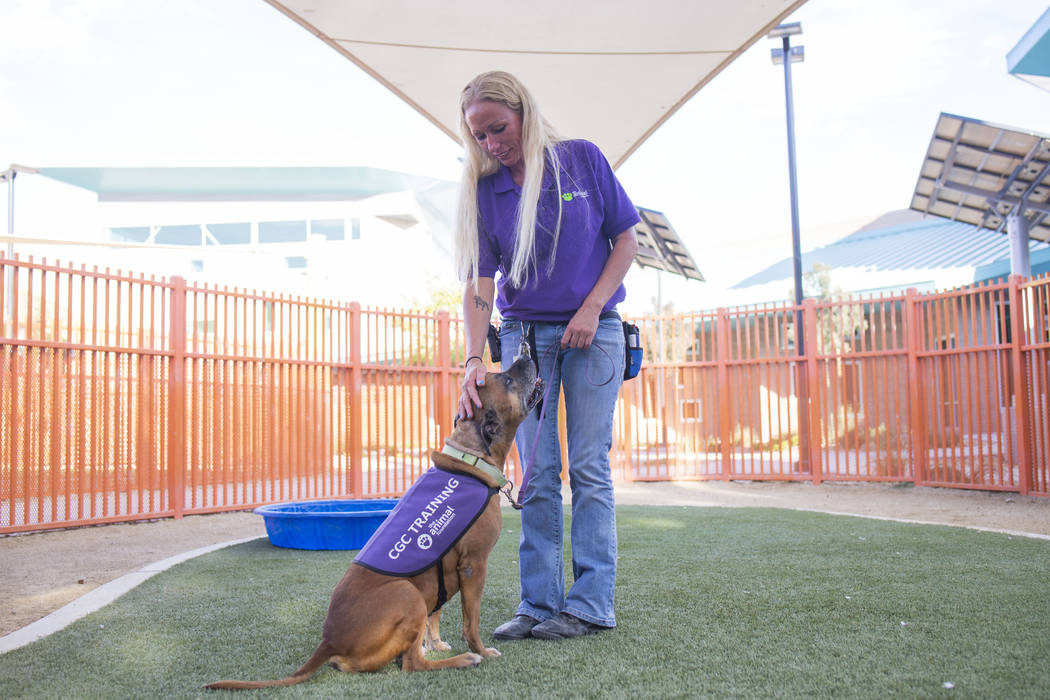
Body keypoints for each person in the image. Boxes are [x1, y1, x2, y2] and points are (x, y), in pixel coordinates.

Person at [454, 71, 640, 640]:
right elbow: (481, 281)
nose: (491, 144)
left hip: (595, 332)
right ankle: (537, 603)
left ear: (523, 113)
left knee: (587, 467)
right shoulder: (486, 191)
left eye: (498, 128)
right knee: (535, 474)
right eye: (478, 136)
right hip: (524, 340)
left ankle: (589, 605)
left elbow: (626, 238)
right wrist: (472, 360)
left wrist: (591, 308)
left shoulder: (582, 160)